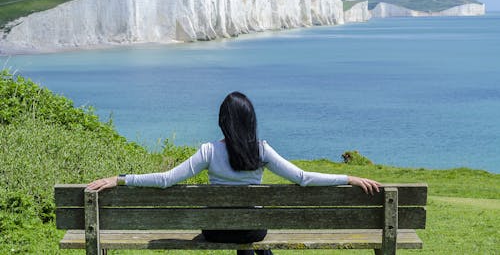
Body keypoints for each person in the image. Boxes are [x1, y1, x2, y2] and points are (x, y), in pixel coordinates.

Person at [88, 91, 380, 255]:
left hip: (215, 230)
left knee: (237, 232)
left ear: (222, 121)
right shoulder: (262, 150)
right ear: (250, 120)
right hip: (253, 228)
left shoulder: (208, 152)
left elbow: (166, 180)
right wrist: (349, 178)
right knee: (250, 237)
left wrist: (120, 179)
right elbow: (303, 178)